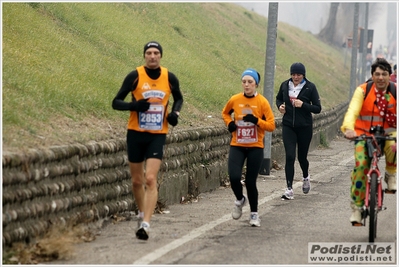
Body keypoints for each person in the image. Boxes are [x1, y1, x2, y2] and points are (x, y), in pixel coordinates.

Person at [112, 41, 183, 240]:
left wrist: (175, 113)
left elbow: (178, 98)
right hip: (135, 133)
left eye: (156, 53)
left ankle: (146, 223)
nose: (152, 56)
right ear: (145, 56)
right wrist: (134, 107)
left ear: (160, 56)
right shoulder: (135, 76)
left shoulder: (169, 77)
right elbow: (116, 102)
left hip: (157, 135)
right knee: (137, 181)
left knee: (150, 179)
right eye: (149, 53)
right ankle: (142, 212)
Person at [341, 57, 396, 225]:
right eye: (377, 74)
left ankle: (391, 174)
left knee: (394, 146)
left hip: (388, 133)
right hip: (362, 134)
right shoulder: (363, 90)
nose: (380, 78)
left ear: (389, 76)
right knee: (361, 166)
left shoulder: (395, 91)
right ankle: (357, 209)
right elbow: (353, 111)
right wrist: (348, 128)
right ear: (372, 76)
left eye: (384, 74)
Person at [221, 68, 275, 227]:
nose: (246, 85)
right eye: (244, 82)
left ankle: (254, 214)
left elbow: (271, 125)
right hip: (237, 144)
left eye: (250, 82)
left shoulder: (262, 102)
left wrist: (257, 121)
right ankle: (239, 199)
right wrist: (230, 123)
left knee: (251, 182)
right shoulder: (235, 99)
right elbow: (225, 113)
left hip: (255, 146)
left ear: (256, 84)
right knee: (234, 176)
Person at [275, 62, 322, 200]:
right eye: (294, 74)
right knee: (290, 156)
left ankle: (306, 177)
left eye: (299, 75)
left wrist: (303, 105)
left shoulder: (310, 87)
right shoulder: (285, 85)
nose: (296, 77)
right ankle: (289, 189)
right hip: (288, 126)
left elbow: (318, 108)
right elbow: (278, 99)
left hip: (304, 127)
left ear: (303, 75)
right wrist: (280, 107)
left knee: (302, 157)